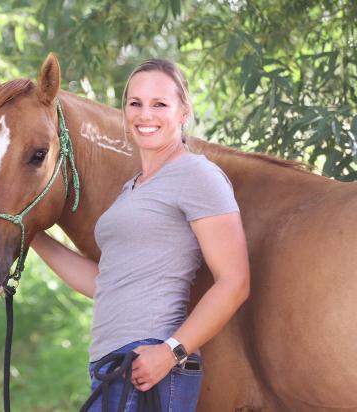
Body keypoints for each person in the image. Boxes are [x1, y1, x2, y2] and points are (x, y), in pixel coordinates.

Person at [31, 58, 250, 411]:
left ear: (184, 113)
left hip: (152, 364)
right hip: (112, 365)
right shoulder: (131, 189)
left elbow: (234, 281)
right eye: (135, 103)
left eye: (159, 104)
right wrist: (32, 234)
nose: (145, 114)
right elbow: (106, 282)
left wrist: (171, 351)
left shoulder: (197, 175)